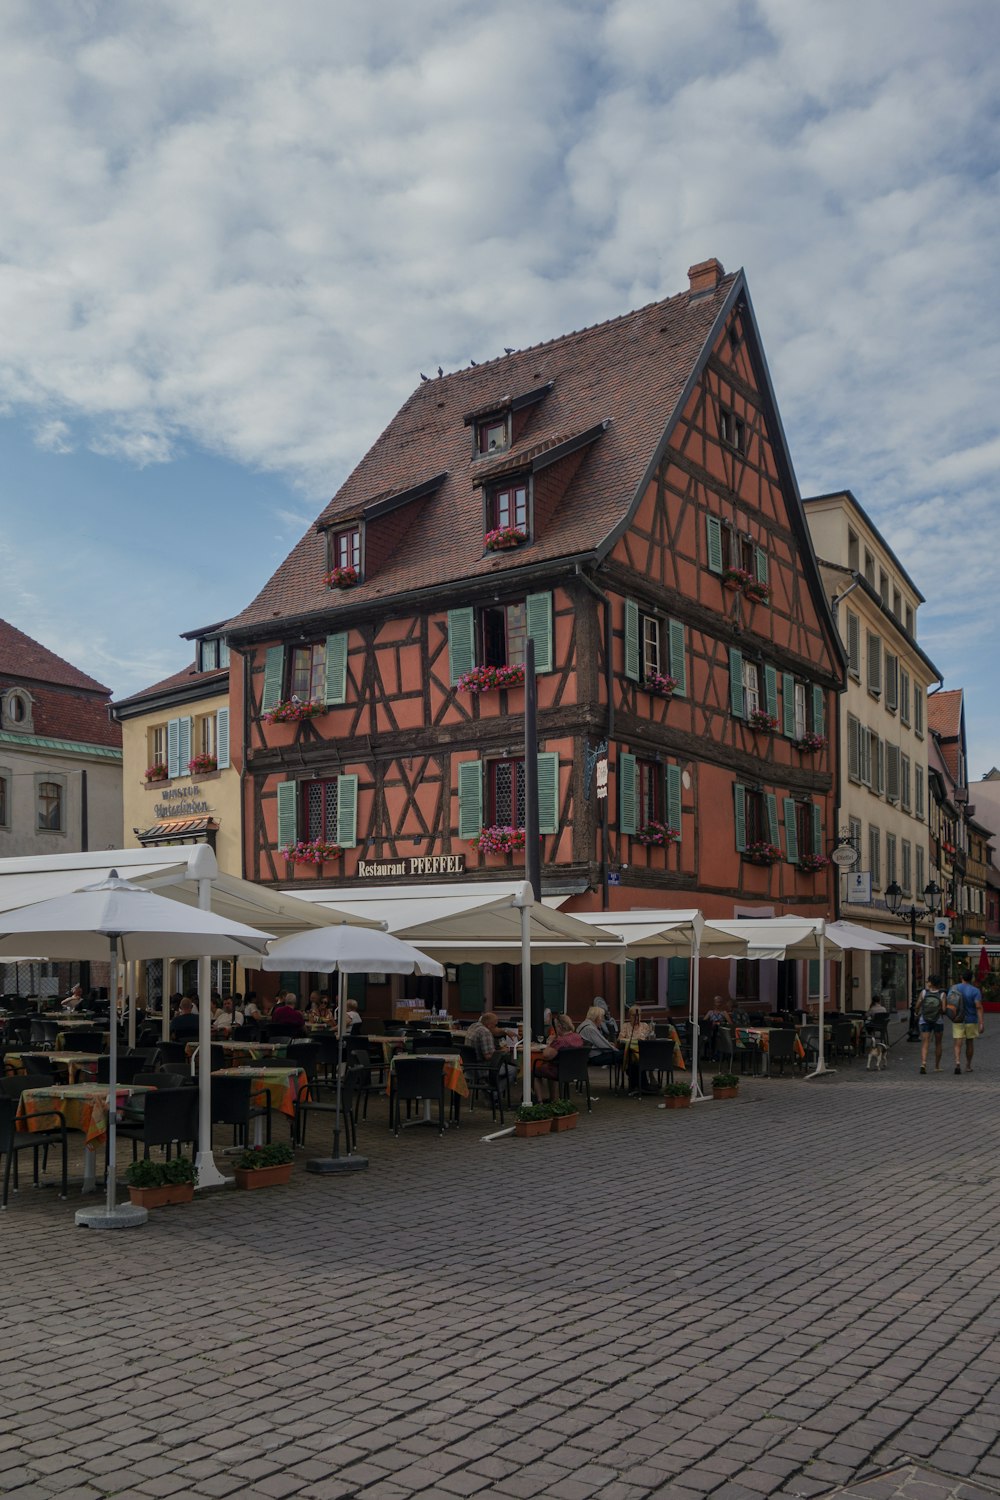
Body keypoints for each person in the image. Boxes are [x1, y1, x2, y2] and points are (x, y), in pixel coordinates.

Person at [532, 1012, 585, 1102]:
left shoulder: (560, 1041)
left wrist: (550, 1043)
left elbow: (546, 1055)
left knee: (536, 1071)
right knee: (549, 1067)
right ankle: (554, 1099)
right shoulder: (578, 1037)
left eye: (556, 1026)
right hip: (577, 1071)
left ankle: (540, 1101)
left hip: (561, 1071)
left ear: (560, 1027)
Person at [465, 1010, 517, 1087]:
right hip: (482, 1068)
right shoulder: (485, 1032)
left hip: (468, 1068)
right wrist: (503, 1051)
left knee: (504, 1066)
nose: (497, 1027)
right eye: (495, 1025)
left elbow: (495, 1031)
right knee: (513, 1070)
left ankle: (487, 1087)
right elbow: (489, 1056)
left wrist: (505, 1031)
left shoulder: (474, 1026)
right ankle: (493, 1093)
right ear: (489, 1025)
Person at [947, 969, 984, 1074]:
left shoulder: (953, 988)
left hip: (958, 1019)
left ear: (961, 977)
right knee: (969, 1043)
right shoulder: (975, 991)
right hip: (971, 1020)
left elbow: (950, 1004)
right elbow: (978, 1007)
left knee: (957, 1043)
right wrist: (981, 1023)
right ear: (971, 978)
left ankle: (957, 1062)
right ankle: (968, 1065)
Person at [618, 1004, 654, 1092]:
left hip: (644, 1052)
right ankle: (643, 1085)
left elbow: (650, 1037)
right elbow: (620, 1039)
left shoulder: (645, 1025)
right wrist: (633, 1039)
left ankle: (640, 1084)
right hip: (630, 1053)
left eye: (639, 1015)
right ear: (629, 1016)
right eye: (634, 1016)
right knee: (633, 1060)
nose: (637, 1018)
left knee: (642, 1059)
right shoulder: (626, 1026)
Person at [915, 973, 946, 1073]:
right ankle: (937, 1066)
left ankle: (923, 1063)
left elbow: (917, 1005)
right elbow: (944, 1009)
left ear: (931, 983)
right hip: (938, 1020)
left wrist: (916, 1013)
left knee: (925, 1042)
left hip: (925, 1020)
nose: (927, 983)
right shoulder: (942, 994)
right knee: (938, 1043)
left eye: (928, 981)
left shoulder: (924, 993)